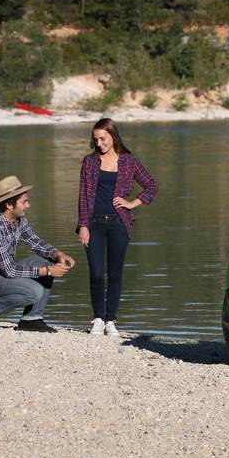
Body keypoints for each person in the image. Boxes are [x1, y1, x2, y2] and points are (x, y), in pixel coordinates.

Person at [77, 118, 158, 337]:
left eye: (103, 138)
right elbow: (83, 196)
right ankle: (98, 318)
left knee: (115, 274)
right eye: (95, 140)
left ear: (113, 136)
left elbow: (151, 185)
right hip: (93, 224)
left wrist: (132, 203)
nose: (99, 143)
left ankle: (110, 320)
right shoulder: (89, 162)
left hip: (119, 223)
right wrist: (83, 224)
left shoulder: (129, 161)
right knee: (96, 273)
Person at [0, 175, 76, 332]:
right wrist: (48, 271)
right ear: (9, 205)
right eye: (24, 202)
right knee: (34, 290)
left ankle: (31, 319)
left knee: (47, 262)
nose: (28, 205)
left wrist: (57, 254)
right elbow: (9, 271)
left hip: (0, 273)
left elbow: (34, 241)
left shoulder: (18, 218)